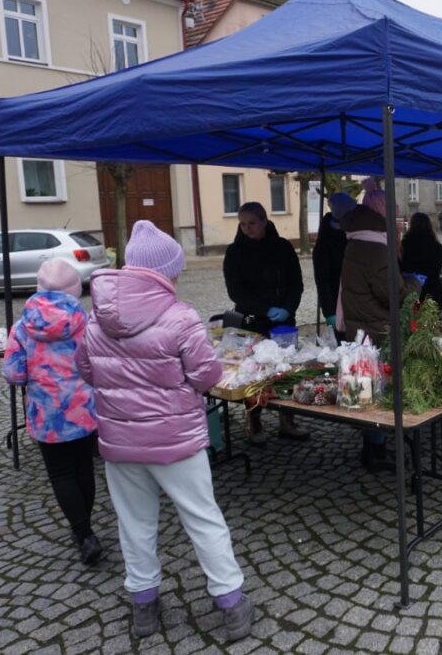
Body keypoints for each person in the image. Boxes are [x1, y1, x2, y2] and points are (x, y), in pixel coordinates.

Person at [78, 221, 254, 641]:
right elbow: (206, 376)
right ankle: (230, 603)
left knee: (134, 524)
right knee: (203, 519)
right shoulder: (180, 317)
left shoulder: (95, 318)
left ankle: (144, 608)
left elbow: (86, 371)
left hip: (120, 441)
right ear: (165, 272)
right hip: (176, 441)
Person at [2, 259, 101, 565]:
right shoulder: (87, 323)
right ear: (75, 290)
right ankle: (85, 527)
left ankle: (83, 533)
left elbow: (13, 374)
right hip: (84, 410)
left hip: (47, 415)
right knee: (84, 468)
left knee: (61, 474)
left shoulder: (22, 328)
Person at [337, 179, 421, 469]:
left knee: (368, 386)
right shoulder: (376, 248)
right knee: (380, 389)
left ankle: (374, 448)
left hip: (361, 326)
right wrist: (413, 285)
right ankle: (377, 450)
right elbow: (391, 294)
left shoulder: (356, 241)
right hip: (378, 329)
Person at [223, 201, 307, 442]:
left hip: (283, 322)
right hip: (253, 322)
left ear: (264, 221)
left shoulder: (282, 247)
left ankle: (287, 419)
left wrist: (288, 308)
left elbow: (296, 284)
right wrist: (263, 308)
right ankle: (254, 421)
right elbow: (235, 292)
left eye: (251, 223)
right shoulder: (235, 252)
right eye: (242, 224)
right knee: (255, 374)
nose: (247, 228)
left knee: (287, 371)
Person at [313, 192, 356, 331]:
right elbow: (322, 280)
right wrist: (330, 311)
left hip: (355, 303)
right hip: (336, 303)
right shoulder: (325, 242)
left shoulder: (353, 235)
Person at [401, 212, 442, 303]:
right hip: (433, 291)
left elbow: (400, 266)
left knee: (413, 316)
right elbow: (441, 262)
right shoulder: (436, 246)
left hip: (412, 291)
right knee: (432, 315)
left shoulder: (404, 245)